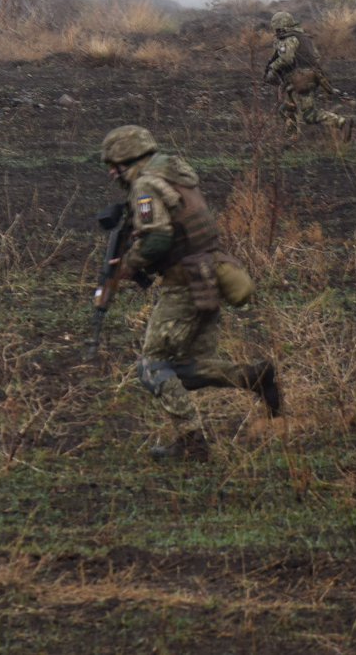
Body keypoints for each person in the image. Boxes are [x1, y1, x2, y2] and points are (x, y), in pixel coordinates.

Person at [99, 124, 281, 460]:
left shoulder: (145, 186)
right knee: (187, 367)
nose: (112, 173)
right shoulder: (173, 172)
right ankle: (254, 377)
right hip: (207, 275)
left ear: (130, 160)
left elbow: (158, 239)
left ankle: (192, 443)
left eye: (115, 165)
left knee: (152, 368)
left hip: (183, 284)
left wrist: (129, 265)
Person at [263, 10, 351, 139]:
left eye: (276, 28)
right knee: (287, 109)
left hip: (299, 80)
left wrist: (272, 67)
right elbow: (316, 57)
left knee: (309, 115)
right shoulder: (303, 37)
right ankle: (291, 137)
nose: (275, 31)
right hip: (310, 78)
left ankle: (341, 122)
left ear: (279, 26)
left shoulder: (288, 38)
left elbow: (287, 59)